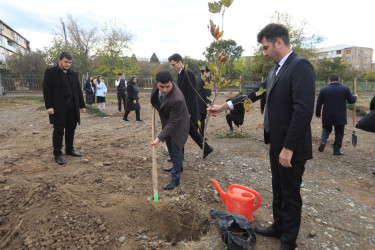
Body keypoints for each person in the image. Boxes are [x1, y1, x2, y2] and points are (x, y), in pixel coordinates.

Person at [207, 23, 316, 250]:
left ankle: (288, 241)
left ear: (278, 42)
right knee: (278, 188)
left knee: (290, 194)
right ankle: (278, 226)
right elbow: (255, 94)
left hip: (290, 147)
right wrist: (225, 106)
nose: (264, 53)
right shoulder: (276, 70)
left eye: (266, 48)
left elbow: (303, 111)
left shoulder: (300, 66)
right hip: (276, 143)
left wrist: (288, 148)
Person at [42, 52, 86, 165]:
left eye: (70, 62)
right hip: (58, 107)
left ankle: (69, 150)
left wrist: (82, 105)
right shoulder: (51, 72)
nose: (68, 64)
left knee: (71, 128)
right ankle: (57, 154)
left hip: (72, 105)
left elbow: (77, 91)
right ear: (59, 60)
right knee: (59, 130)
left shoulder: (73, 74)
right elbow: (46, 91)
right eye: (66, 62)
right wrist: (49, 106)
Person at [168, 53, 214, 160]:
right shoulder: (181, 73)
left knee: (181, 131)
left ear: (180, 62)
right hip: (183, 108)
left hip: (188, 109)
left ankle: (179, 156)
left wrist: (188, 111)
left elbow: (192, 94)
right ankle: (205, 148)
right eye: (171, 65)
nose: (172, 67)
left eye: (173, 64)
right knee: (190, 131)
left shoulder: (188, 73)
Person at [150, 70, 190, 190]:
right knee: (169, 144)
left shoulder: (177, 98)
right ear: (157, 83)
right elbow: (155, 94)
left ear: (172, 83)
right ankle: (176, 166)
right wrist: (154, 102)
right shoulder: (158, 85)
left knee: (176, 147)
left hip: (178, 123)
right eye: (162, 87)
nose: (165, 89)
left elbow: (173, 123)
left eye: (168, 86)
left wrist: (158, 138)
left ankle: (175, 179)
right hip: (167, 119)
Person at [316, 73, 357, 155]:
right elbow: (351, 101)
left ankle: (323, 141)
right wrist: (355, 96)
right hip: (340, 115)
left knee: (326, 129)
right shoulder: (345, 89)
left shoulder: (323, 89)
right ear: (339, 80)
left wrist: (318, 113)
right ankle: (336, 150)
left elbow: (319, 103)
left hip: (327, 114)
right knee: (339, 132)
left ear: (329, 80)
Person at [196, 66, 212, 138]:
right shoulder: (205, 79)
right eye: (209, 73)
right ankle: (202, 136)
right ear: (205, 72)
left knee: (197, 118)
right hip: (202, 102)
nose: (209, 75)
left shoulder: (197, 78)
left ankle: (196, 133)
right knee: (202, 119)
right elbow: (207, 91)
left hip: (196, 102)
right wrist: (208, 103)